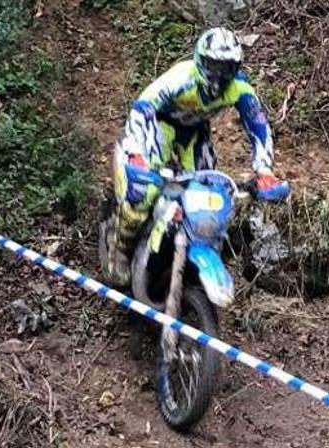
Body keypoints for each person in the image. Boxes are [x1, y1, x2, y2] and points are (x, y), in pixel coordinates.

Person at [104, 27, 290, 287]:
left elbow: (258, 126)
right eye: (213, 65)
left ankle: (192, 248)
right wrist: (136, 152)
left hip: (195, 133)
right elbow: (142, 108)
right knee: (144, 190)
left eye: (226, 67)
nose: (218, 74)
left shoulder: (240, 88)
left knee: (209, 196)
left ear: (236, 68)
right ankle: (119, 249)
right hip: (160, 126)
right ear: (200, 60)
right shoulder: (181, 77)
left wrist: (264, 170)